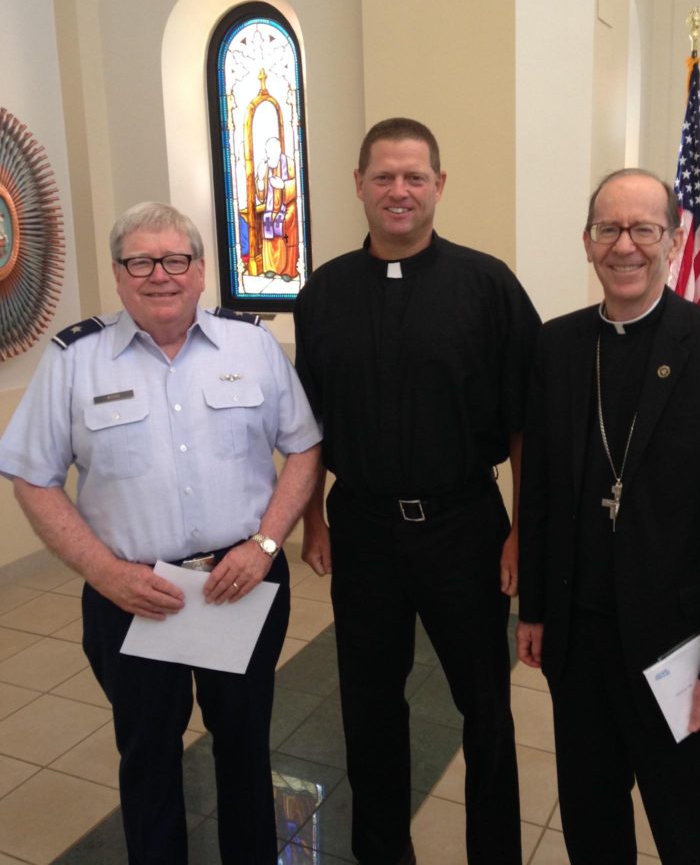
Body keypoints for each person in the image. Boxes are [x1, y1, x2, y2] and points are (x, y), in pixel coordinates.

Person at [0, 202, 322, 865]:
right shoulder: (75, 359)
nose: (160, 275)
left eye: (176, 259)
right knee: (147, 755)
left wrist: (265, 546)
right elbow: (31, 476)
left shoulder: (251, 344)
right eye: (140, 261)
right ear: (118, 276)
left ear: (201, 270)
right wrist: (105, 572)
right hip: (131, 595)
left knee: (243, 744)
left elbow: (304, 447)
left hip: (242, 583)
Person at [293, 118, 540, 865]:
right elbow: (306, 424)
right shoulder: (324, 291)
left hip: (465, 524)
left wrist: (522, 531)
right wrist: (313, 521)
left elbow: (528, 422)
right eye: (383, 177)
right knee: (369, 709)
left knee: (486, 709)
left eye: (414, 177)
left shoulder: (488, 283)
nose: (398, 191)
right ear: (360, 185)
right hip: (362, 526)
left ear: (439, 184)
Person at [516, 169, 700, 864]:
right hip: (580, 646)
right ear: (588, 242)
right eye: (608, 230)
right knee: (593, 827)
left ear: (674, 239)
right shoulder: (557, 348)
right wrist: (533, 609)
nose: (625, 246)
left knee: (692, 833)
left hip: (680, 654)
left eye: (644, 229)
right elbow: (537, 491)